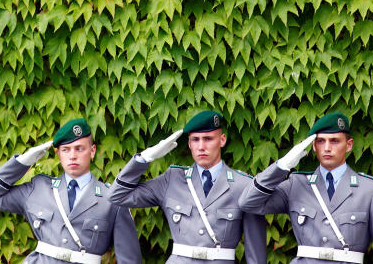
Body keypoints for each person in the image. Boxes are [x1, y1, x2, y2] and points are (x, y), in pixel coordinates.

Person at [238, 112, 373, 263]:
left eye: (335, 141)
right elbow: (248, 203)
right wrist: (281, 166)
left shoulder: (369, 190)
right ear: (314, 146)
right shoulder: (297, 185)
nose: (327, 148)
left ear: (349, 145)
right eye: (321, 141)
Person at [110, 110, 266, 263]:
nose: (201, 146)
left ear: (222, 140)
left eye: (208, 139)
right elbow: (117, 196)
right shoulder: (172, 179)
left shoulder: (243, 186)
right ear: (189, 144)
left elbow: (256, 254)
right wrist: (144, 158)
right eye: (195, 140)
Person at [0, 118, 141, 263]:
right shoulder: (39, 189)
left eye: (79, 149)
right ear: (58, 154)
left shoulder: (112, 198)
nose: (72, 156)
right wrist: (24, 161)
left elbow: (129, 259)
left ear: (92, 151)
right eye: (66, 149)